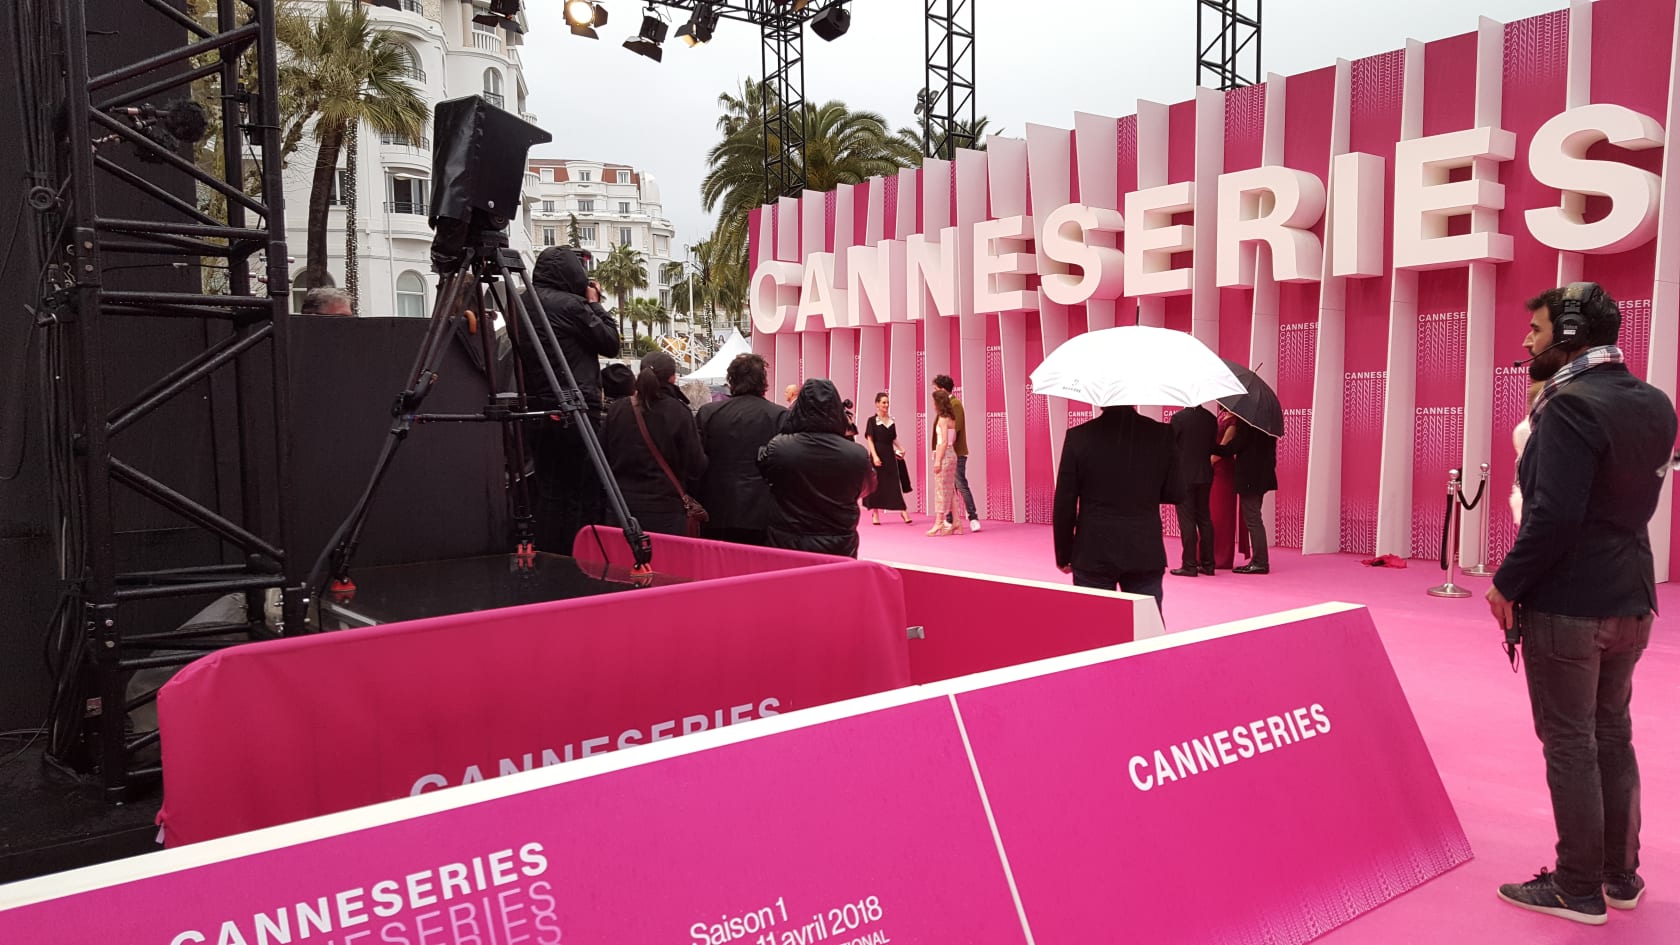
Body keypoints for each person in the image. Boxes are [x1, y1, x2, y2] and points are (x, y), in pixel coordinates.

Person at [1486, 283, 1676, 926]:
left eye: (1535, 330)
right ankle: (1620, 877)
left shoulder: (1567, 407)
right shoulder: (1655, 402)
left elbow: (1553, 517)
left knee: (1570, 743)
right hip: (1631, 596)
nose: (1525, 341)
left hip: (1570, 603)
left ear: (1568, 334)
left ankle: (1577, 887)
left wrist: (1506, 583)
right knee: (1612, 734)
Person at [519, 246, 619, 552]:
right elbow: (610, 343)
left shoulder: (524, 302)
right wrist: (595, 305)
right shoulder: (573, 306)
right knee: (577, 492)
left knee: (549, 490)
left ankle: (546, 557)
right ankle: (570, 559)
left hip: (538, 404)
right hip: (576, 406)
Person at [1052, 404, 1180, 613]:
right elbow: (1175, 492)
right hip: (1144, 548)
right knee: (1147, 629)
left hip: (1093, 550)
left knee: (1094, 630)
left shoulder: (1078, 437)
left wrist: (1064, 554)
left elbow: (1065, 503)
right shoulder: (1163, 434)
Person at [758, 379, 874, 556]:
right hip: (838, 544)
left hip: (788, 542)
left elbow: (766, 475)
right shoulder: (857, 454)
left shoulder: (779, 447)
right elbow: (867, 488)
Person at [601, 351, 706, 536]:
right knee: (665, 564)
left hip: (621, 509)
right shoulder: (679, 412)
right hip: (666, 511)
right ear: (673, 378)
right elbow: (696, 464)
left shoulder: (618, 409)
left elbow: (601, 456)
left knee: (622, 563)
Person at [695, 353, 785, 546]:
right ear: (763, 381)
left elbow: (696, 460)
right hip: (762, 509)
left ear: (731, 380)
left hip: (716, 506)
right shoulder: (779, 415)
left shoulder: (709, 412)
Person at [1213, 413, 1277, 574]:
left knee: (1253, 519)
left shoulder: (1248, 426)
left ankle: (1260, 562)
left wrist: (1210, 447)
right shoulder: (1268, 425)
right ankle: (1259, 560)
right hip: (1263, 477)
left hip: (1250, 478)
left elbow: (1231, 449)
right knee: (1254, 517)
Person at [1168, 404, 1218, 577]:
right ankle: (1208, 564)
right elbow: (1213, 446)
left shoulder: (1178, 419)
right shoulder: (1211, 418)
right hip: (1205, 474)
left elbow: (1170, 446)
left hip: (1184, 476)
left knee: (1187, 520)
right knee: (1204, 518)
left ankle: (1189, 564)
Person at [930, 374, 979, 531]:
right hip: (946, 451)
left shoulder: (954, 404)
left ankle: (972, 517)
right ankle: (951, 520)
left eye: (937, 389)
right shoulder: (944, 405)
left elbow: (953, 430)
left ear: (943, 389)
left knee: (959, 484)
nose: (935, 392)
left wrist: (942, 452)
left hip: (954, 451)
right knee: (950, 487)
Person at [862, 391, 912, 525]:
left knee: (894, 483)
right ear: (877, 404)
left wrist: (901, 448)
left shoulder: (891, 421)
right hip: (877, 454)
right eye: (883, 402)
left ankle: (903, 511)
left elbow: (893, 438)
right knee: (876, 485)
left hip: (890, 455)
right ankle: (875, 514)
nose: (886, 405)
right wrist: (875, 456)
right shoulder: (872, 421)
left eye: (887, 402)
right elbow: (870, 439)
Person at [1209, 405, 1244, 568]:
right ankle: (1207, 553)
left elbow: (1224, 447)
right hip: (1213, 469)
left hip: (1224, 470)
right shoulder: (1221, 415)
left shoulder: (1234, 421)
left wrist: (1208, 462)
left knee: (1221, 514)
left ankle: (1221, 557)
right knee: (1211, 513)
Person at [926, 390, 961, 536]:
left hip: (945, 454)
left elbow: (944, 442)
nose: (933, 404)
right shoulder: (952, 418)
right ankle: (957, 523)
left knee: (940, 489)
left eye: (934, 402)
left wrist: (938, 461)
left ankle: (939, 522)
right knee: (950, 490)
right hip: (952, 454)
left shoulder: (942, 419)